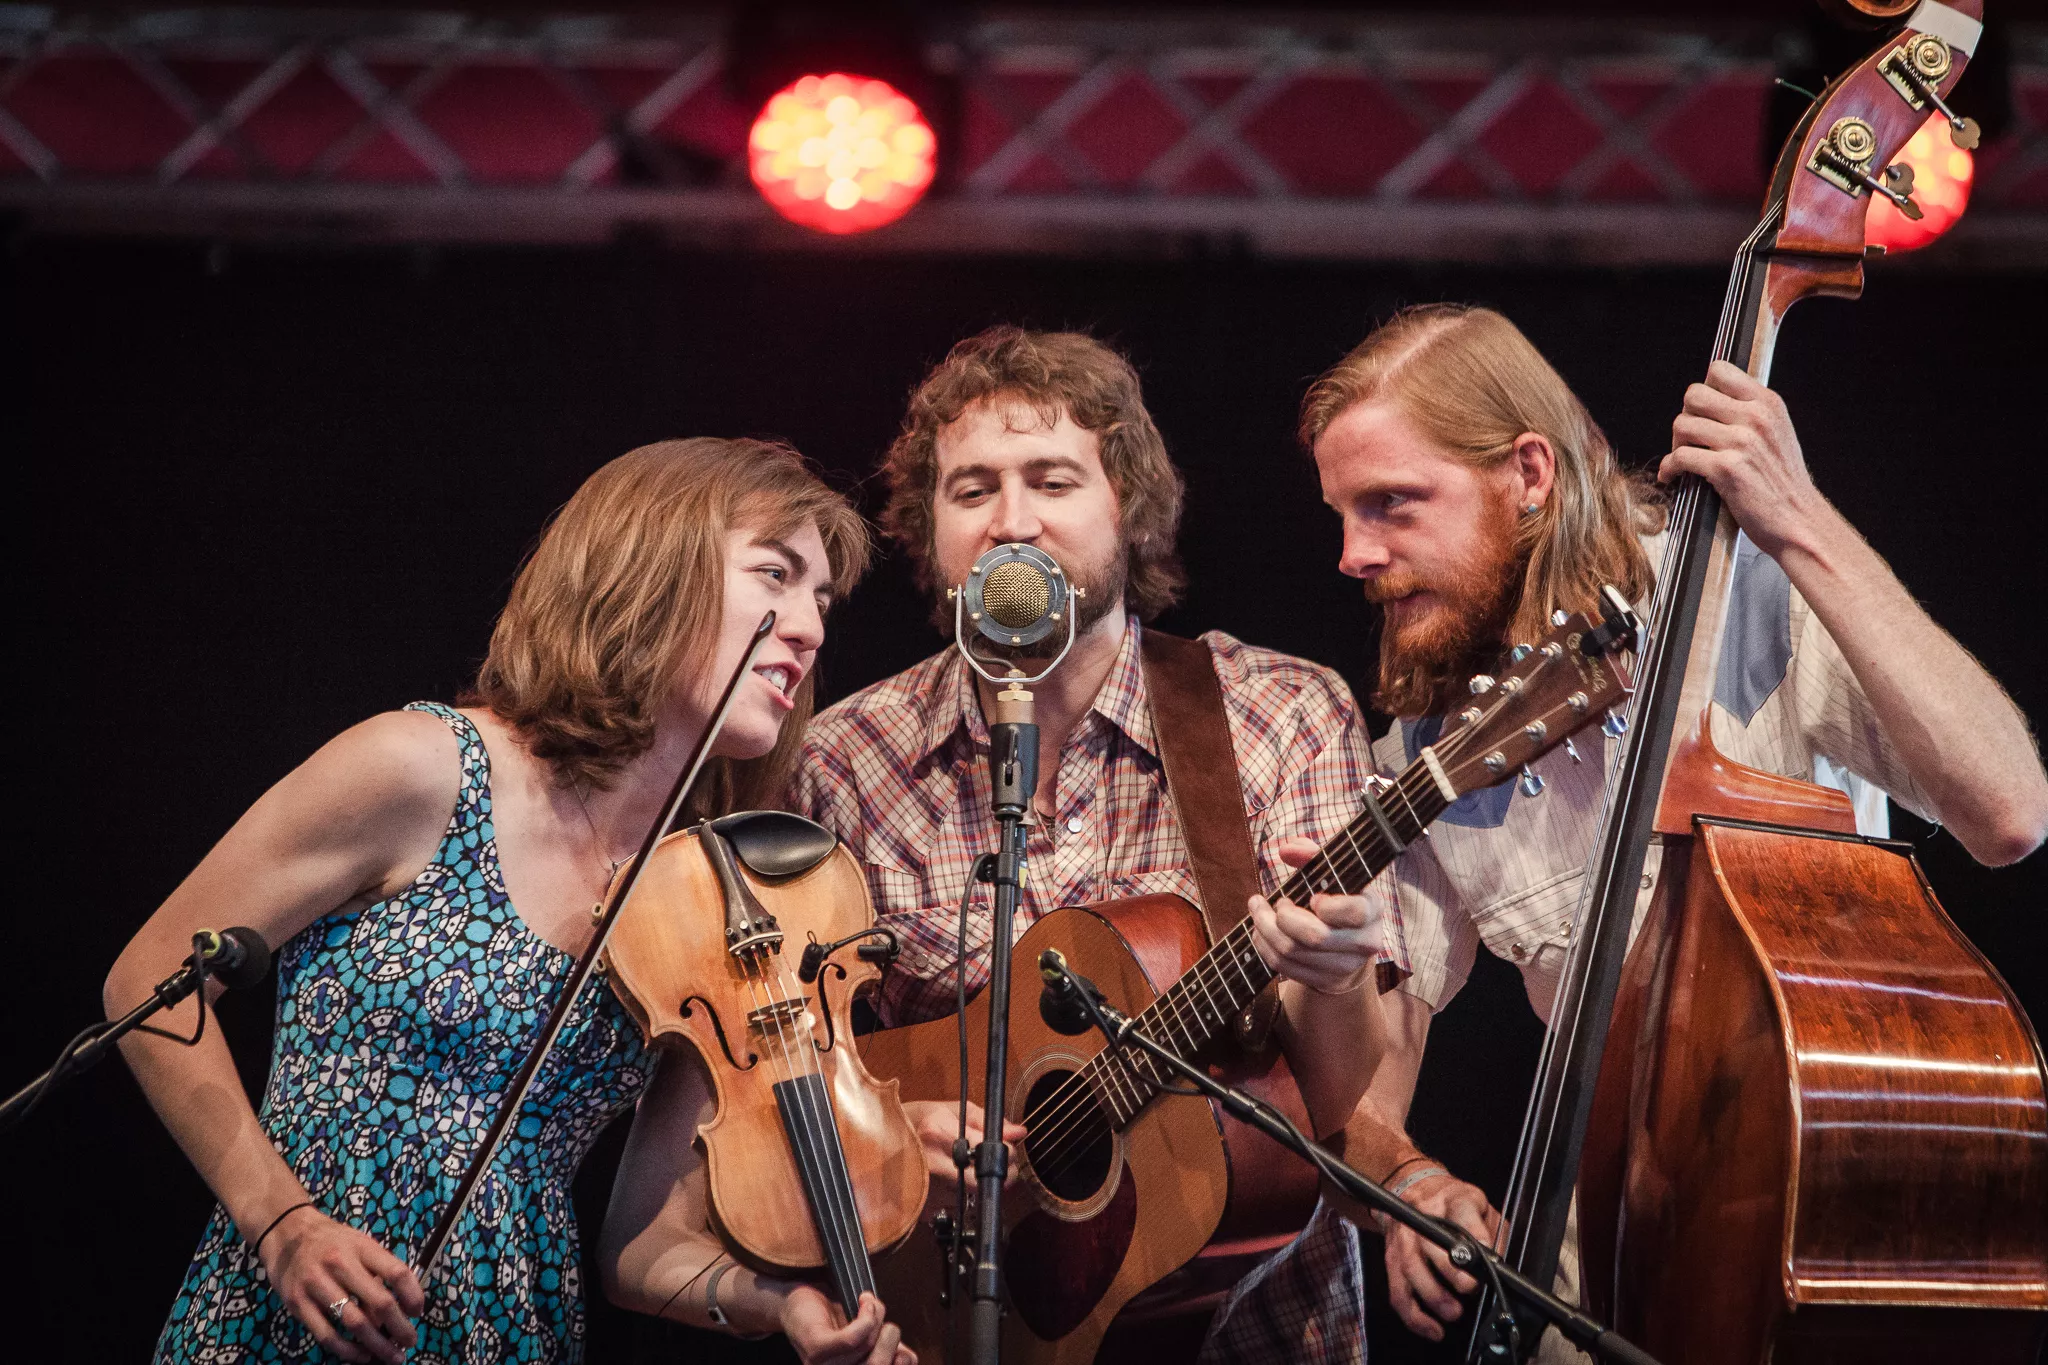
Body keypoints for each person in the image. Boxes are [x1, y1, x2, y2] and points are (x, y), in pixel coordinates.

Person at [1272, 303, 2048, 1362]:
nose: (1352, 555)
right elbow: (1370, 1072)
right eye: (1341, 515)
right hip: (1604, 1270)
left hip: (1830, 1222)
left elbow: (2007, 812)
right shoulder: (1425, 744)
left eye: (1391, 505)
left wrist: (1797, 522)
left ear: (1527, 474)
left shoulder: (1747, 596)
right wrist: (1401, 1175)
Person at [112, 438, 906, 1365]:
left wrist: (779, 1306)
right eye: (777, 573)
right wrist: (282, 1222)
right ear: (650, 565)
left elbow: (637, 1252)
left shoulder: (704, 899)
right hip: (292, 1319)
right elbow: (148, 981)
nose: (810, 628)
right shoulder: (423, 767)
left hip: (511, 1331)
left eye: (822, 598)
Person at [787, 326, 1399, 1357]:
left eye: (1052, 480)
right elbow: (792, 1084)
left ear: (1129, 507)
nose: (1010, 523)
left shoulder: (1278, 714)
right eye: (971, 489)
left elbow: (1325, 1105)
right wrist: (882, 1136)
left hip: (1246, 1327)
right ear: (927, 527)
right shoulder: (840, 760)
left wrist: (1332, 978)